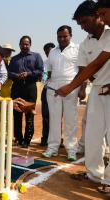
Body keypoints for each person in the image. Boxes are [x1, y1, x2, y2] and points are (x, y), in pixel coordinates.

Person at [57, 0, 110, 193]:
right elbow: (85, 69)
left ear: (98, 16)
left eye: (85, 21)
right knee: (93, 136)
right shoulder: (85, 44)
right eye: (79, 23)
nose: (83, 27)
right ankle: (95, 175)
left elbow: (96, 64)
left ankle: (109, 181)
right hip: (96, 92)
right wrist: (82, 84)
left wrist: (71, 86)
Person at [42, 26, 79, 161]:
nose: (62, 39)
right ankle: (52, 148)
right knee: (54, 120)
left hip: (71, 88)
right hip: (53, 91)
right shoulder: (52, 51)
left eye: (65, 36)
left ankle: (71, 150)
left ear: (71, 35)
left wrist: (81, 89)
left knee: (71, 120)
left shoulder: (77, 49)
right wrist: (45, 82)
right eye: (59, 37)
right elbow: (49, 72)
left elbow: (82, 70)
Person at [9, 35, 44, 148]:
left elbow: (40, 71)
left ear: (30, 45)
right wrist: (17, 75)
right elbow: (9, 73)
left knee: (29, 114)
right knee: (17, 114)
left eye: (27, 44)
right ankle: (18, 138)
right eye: (23, 44)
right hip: (17, 87)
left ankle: (27, 139)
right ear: (19, 45)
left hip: (30, 88)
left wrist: (28, 74)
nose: (25, 46)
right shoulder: (14, 59)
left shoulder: (36, 56)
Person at [40, 43, 55, 147]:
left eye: (50, 51)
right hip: (46, 90)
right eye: (47, 52)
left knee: (56, 117)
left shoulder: (59, 62)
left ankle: (57, 139)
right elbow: (43, 79)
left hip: (57, 91)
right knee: (46, 116)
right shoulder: (44, 64)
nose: (49, 53)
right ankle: (45, 138)